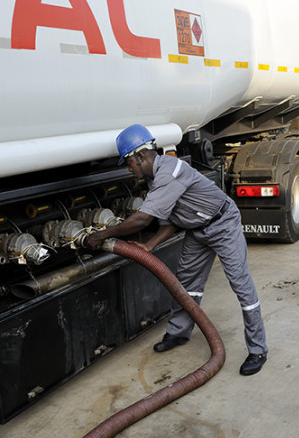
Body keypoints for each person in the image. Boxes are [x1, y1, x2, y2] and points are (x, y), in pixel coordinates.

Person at [87, 124, 268, 376]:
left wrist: (103, 235)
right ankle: (179, 333)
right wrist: (150, 245)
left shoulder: (168, 173)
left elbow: (142, 220)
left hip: (222, 223)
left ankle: (258, 349)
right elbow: (172, 218)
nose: (128, 168)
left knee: (240, 283)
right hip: (197, 228)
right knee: (186, 283)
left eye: (128, 162)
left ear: (141, 156)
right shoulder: (155, 178)